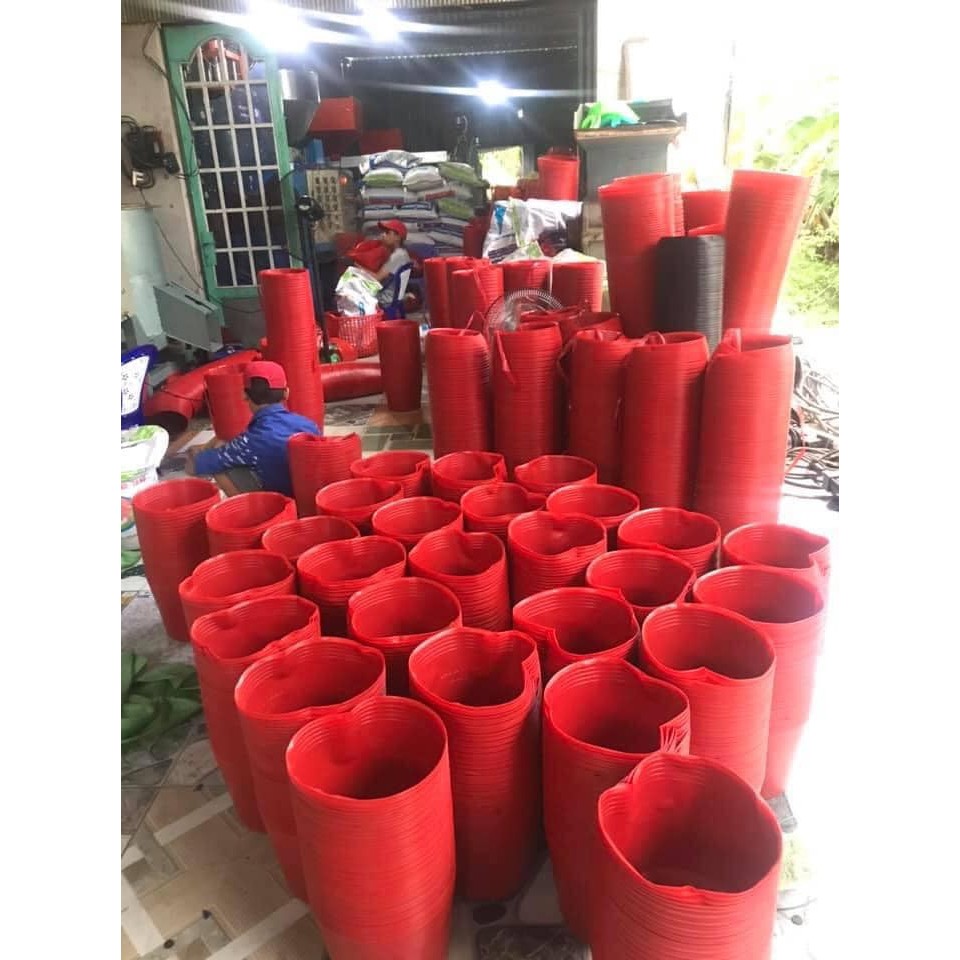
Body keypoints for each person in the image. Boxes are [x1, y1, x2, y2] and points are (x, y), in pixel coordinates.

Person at [185, 360, 321, 497]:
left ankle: (248, 508)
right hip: (312, 498)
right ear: (286, 393)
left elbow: (192, 468)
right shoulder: (310, 425)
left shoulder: (250, 441)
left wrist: (197, 453)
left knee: (218, 462)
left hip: (279, 502)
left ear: (244, 395)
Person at [374, 219, 412, 308]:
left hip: (385, 298)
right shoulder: (402, 253)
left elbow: (376, 278)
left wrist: (357, 267)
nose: (383, 235)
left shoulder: (397, 256)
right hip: (392, 296)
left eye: (387, 233)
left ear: (397, 237)